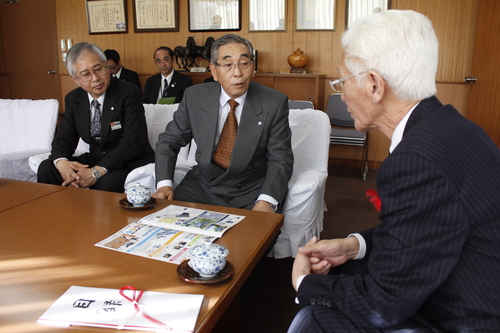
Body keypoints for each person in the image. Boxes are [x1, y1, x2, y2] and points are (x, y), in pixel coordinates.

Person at [289, 10, 500, 333]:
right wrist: (352, 245)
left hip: (468, 316)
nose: (341, 94)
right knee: (344, 270)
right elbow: (426, 227)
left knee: (314, 318)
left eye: (342, 81)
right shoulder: (456, 127)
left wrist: (303, 283)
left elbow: (381, 306)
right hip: (468, 280)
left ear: (374, 85)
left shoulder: (416, 160)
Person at [152, 34, 294, 213]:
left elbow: (281, 159)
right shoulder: (195, 97)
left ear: (253, 67)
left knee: (254, 238)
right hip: (202, 185)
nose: (237, 73)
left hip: (250, 188)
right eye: (228, 65)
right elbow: (168, 142)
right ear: (213, 71)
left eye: (244, 63)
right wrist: (164, 184)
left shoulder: (273, 102)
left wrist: (267, 200)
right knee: (167, 226)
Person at [37, 42, 154, 193]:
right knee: (47, 168)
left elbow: (132, 142)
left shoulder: (129, 93)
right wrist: (62, 163)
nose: (95, 78)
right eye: (86, 74)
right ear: (75, 79)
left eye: (98, 69)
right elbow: (65, 138)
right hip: (95, 158)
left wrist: (96, 172)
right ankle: (57, 214)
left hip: (128, 160)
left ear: (106, 66)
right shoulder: (74, 99)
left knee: (106, 184)